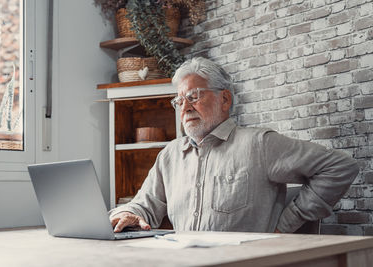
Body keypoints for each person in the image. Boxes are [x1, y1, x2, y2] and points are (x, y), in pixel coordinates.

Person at [109, 57, 359, 233]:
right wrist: (126, 214)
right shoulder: (170, 155)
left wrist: (287, 224)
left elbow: (340, 167)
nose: (185, 107)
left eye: (193, 96)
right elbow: (144, 205)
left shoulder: (259, 144)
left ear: (225, 99)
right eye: (179, 100)